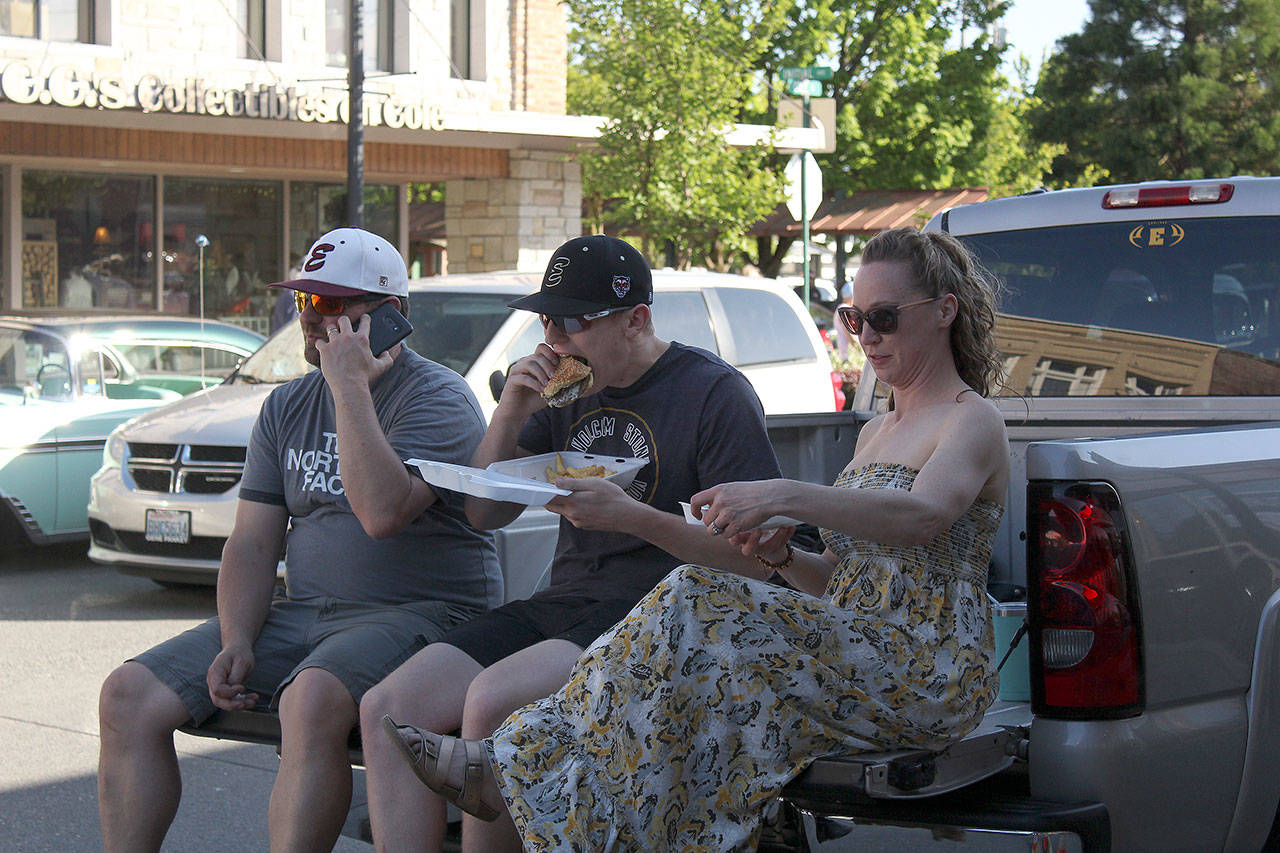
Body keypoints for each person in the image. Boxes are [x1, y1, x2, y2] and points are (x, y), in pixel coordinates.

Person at [382, 225, 1011, 851]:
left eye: (884, 318)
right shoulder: (876, 430)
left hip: (930, 667)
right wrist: (784, 554)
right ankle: (534, 781)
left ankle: (514, 771)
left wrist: (783, 494)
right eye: (853, 319)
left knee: (697, 597)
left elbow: (925, 515)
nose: (867, 337)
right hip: (857, 649)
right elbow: (839, 582)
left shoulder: (971, 417)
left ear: (943, 312)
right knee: (696, 614)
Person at [358, 234, 787, 852]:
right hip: (567, 600)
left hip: (662, 614)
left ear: (636, 319)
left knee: (491, 704)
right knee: (389, 709)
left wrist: (634, 516)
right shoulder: (563, 393)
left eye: (573, 322)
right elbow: (483, 511)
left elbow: (755, 558)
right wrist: (511, 408)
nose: (554, 338)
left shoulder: (711, 393)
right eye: (546, 319)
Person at [97, 227, 503, 852]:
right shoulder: (286, 407)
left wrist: (349, 387)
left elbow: (383, 513)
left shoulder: (439, 398)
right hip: (309, 614)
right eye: (305, 303)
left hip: (422, 614)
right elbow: (253, 544)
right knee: (127, 696)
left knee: (310, 699)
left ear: (391, 318)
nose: (312, 322)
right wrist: (236, 637)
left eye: (334, 306)